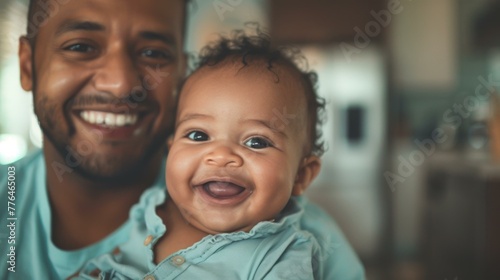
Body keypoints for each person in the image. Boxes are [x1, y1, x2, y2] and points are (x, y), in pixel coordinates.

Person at [0, 0, 364, 279]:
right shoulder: (150, 215)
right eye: (81, 46)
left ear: (180, 75)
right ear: (28, 65)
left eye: (153, 53)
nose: (121, 83)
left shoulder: (308, 244)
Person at [74, 30, 339, 279]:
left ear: (301, 175)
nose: (221, 155)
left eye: (257, 142)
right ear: (171, 149)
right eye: (198, 135)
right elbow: (110, 262)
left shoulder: (282, 257)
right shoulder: (152, 207)